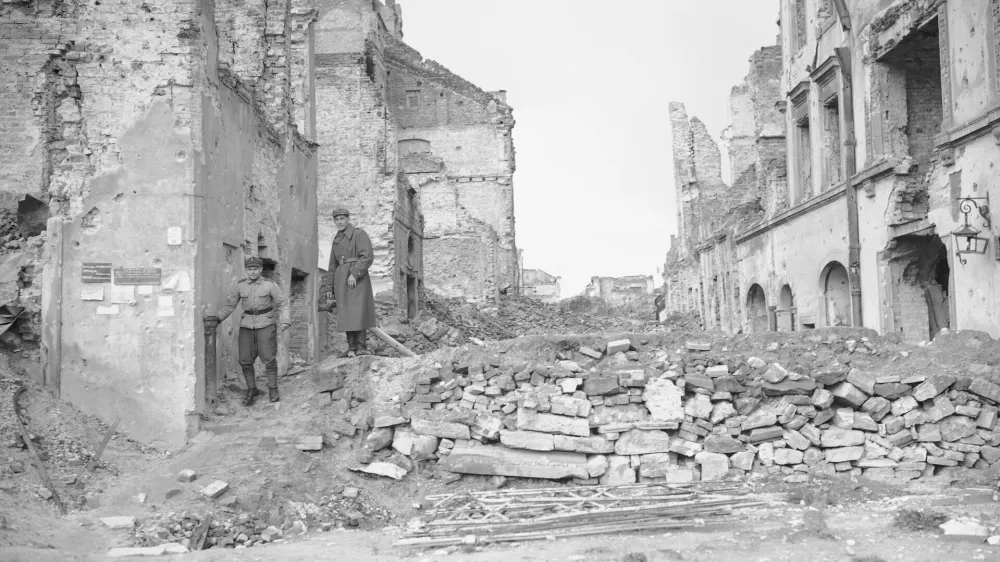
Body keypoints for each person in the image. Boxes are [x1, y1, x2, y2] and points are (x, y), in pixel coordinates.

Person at [212, 256, 290, 405]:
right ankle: (252, 389)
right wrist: (217, 319)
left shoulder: (270, 285)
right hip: (246, 326)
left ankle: (273, 388)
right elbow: (230, 305)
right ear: (246, 270)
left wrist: (286, 320)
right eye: (250, 269)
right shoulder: (240, 286)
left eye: (255, 269)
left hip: (266, 324)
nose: (252, 272)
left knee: (269, 359)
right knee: (245, 360)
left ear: (260, 270)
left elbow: (282, 303)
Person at [328, 208, 376, 357]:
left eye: (342, 218)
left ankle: (361, 347)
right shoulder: (336, 239)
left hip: (356, 278)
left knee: (358, 310)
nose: (339, 222)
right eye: (337, 219)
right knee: (346, 312)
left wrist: (354, 274)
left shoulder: (358, 234)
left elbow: (367, 256)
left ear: (348, 219)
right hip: (341, 278)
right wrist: (330, 287)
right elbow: (332, 265)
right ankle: (351, 348)